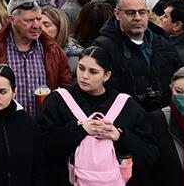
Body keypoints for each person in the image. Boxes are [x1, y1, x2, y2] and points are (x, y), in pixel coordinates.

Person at [39, 46, 158, 186]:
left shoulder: (128, 106)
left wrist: (120, 136)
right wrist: (80, 131)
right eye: (81, 68)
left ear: (106, 76)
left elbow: (150, 155)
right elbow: (44, 147)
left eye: (93, 72)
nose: (84, 76)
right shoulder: (58, 100)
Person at [0, 0, 72, 119]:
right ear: (12, 20)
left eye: (39, 19)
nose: (36, 26)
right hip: (4, 129)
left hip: (43, 130)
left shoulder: (52, 49)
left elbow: (66, 89)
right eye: (29, 20)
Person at [93, 0, 179, 111]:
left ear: (148, 14)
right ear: (117, 14)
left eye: (142, 12)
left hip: (160, 116)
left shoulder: (163, 43)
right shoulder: (103, 47)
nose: (137, 18)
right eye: (130, 13)